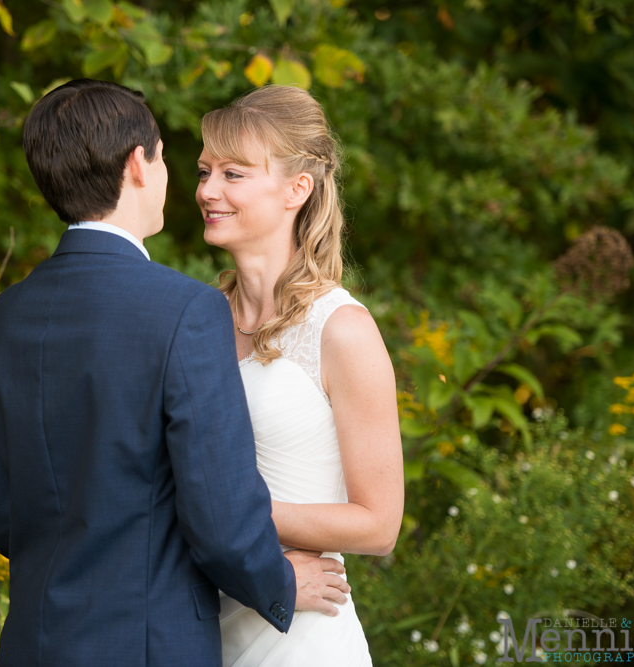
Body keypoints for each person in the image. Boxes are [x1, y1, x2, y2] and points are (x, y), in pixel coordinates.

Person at [0, 79, 349, 667]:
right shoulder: (186, 311)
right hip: (149, 646)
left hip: (31, 644)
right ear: (138, 165)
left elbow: (7, 523)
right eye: (168, 158)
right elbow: (217, 519)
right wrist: (282, 583)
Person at [195, 85, 406, 666]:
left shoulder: (342, 330)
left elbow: (379, 523)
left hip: (304, 640)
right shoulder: (196, 321)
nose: (208, 190)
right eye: (205, 170)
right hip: (199, 631)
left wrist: (235, 524)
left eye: (234, 174)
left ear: (298, 188)